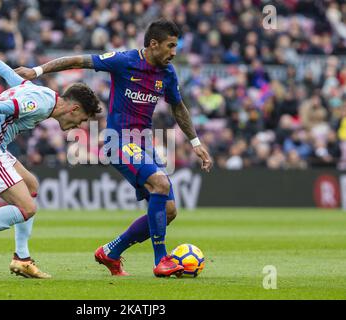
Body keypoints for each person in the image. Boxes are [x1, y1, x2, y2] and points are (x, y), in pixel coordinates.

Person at [15, 19, 213, 277]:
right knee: (160, 185)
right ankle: (160, 260)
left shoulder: (168, 73)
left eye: (176, 46)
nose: (174, 52)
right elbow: (79, 60)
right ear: (153, 44)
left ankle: (111, 252)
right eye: (170, 46)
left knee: (168, 210)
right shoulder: (124, 61)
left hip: (144, 143)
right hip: (118, 140)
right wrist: (37, 71)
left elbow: (178, 106)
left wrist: (196, 142)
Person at [0, 40, 101, 278]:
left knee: (32, 185)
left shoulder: (46, 95)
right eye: (83, 119)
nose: (79, 125)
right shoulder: (39, 104)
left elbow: (8, 74)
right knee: (27, 208)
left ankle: (21, 259)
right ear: (74, 109)